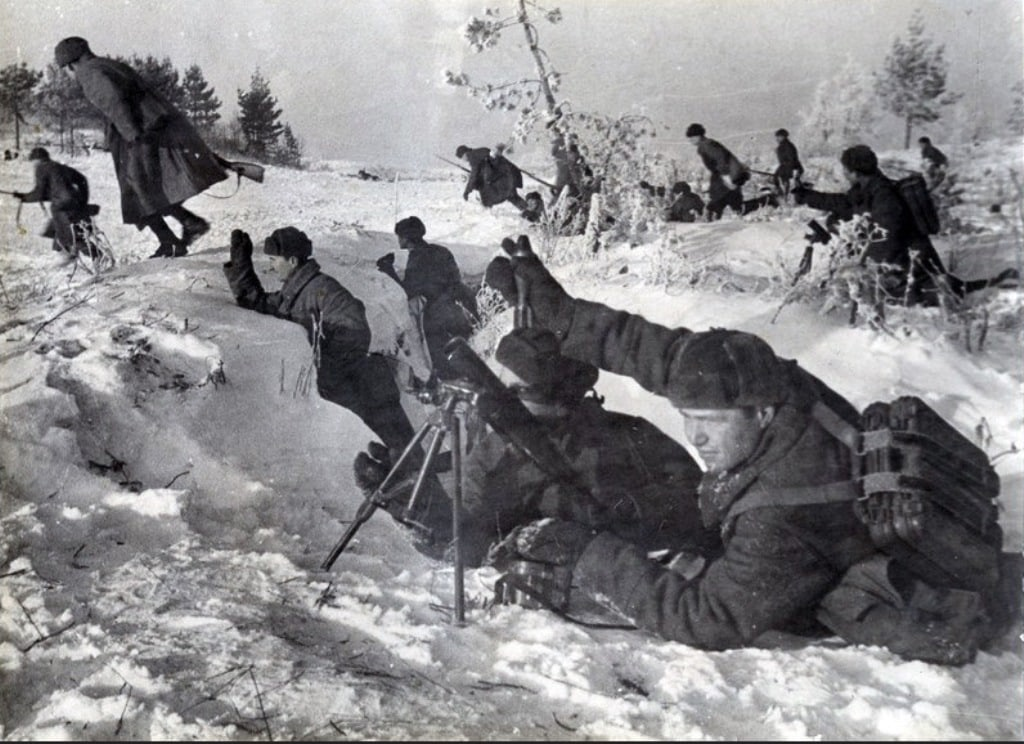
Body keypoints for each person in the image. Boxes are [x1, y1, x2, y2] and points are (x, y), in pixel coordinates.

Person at [480, 243, 1015, 665]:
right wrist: (564, 316)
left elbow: (707, 618)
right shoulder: (775, 387)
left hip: (863, 575)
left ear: (758, 414)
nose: (697, 436)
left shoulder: (782, 512)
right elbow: (670, 358)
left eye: (710, 423)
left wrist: (590, 555)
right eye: (689, 418)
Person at [353, 325, 714, 568]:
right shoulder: (500, 449)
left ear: (555, 398)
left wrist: (612, 517)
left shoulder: (630, 436)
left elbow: (702, 511)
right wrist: (411, 496)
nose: (495, 399)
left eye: (511, 392)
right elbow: (463, 536)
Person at [222, 226, 420, 467]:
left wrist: (325, 370)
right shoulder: (297, 290)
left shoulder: (323, 289)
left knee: (406, 464)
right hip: (357, 388)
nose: (271, 266)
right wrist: (241, 263)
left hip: (365, 391)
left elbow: (355, 329)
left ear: (292, 261)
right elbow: (258, 301)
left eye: (274, 260)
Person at [54, 36, 227, 259]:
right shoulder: (109, 64)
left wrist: (131, 133)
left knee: (136, 191)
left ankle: (174, 238)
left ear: (70, 63)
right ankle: (186, 225)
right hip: (148, 129)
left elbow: (114, 101)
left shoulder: (88, 72)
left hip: (137, 135)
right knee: (146, 188)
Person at [791, 144, 1013, 308]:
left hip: (913, 266)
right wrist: (806, 196)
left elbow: (889, 236)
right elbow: (843, 203)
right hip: (903, 262)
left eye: (845, 170)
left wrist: (866, 265)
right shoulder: (867, 189)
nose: (845, 174)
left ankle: (997, 285)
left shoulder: (883, 196)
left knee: (936, 297)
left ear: (854, 172)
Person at [376, 216, 481, 381]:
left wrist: (388, 269)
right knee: (466, 356)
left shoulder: (417, 258)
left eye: (400, 236)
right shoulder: (441, 250)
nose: (399, 240)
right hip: (460, 307)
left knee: (445, 362)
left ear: (406, 238)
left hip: (439, 315)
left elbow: (408, 292)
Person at [10, 147, 94, 261]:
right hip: (74, 203)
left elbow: (39, 193)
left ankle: (96, 256)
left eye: (33, 161)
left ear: (38, 160)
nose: (33, 165)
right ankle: (62, 254)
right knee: (56, 228)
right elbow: (81, 179)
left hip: (61, 206)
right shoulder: (58, 167)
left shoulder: (41, 168)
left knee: (68, 235)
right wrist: (83, 200)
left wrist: (24, 198)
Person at [686, 123, 749, 220]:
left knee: (720, 204)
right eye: (689, 138)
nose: (690, 140)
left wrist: (727, 178)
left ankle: (770, 200)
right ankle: (770, 201)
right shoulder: (707, 145)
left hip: (726, 176)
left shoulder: (707, 145)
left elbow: (721, 160)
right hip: (727, 176)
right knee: (734, 205)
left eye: (692, 137)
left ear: (699, 136)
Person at [456, 144, 527, 210]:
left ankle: (487, 215)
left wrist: (467, 191)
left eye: (462, 158)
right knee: (512, 196)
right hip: (508, 175)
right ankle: (529, 211)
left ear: (464, 154)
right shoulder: (480, 151)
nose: (463, 160)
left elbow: (474, 175)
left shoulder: (472, 156)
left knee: (487, 199)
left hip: (501, 179)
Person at [773, 128, 804, 198]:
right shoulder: (783, 146)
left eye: (778, 137)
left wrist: (789, 171)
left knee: (787, 184)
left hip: (790, 168)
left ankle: (786, 198)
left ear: (783, 137)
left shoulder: (787, 146)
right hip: (787, 168)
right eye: (776, 137)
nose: (777, 139)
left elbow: (791, 160)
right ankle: (784, 196)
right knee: (778, 180)